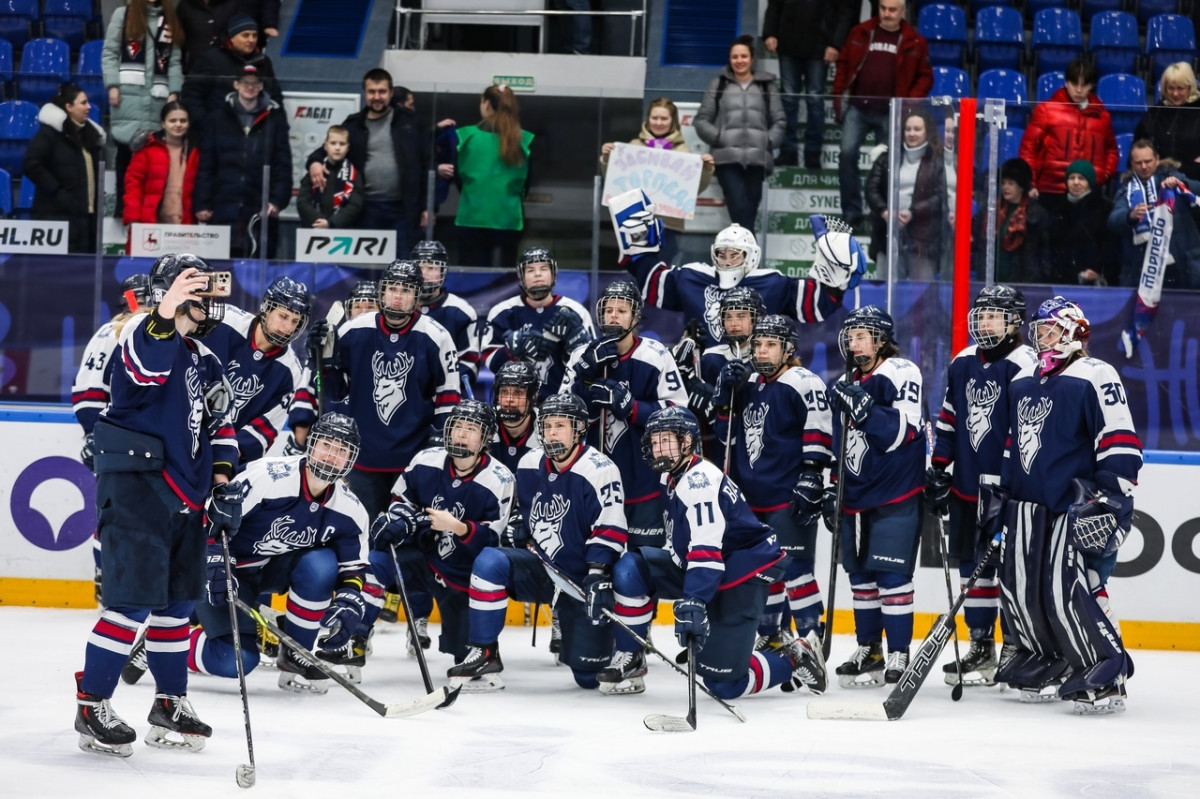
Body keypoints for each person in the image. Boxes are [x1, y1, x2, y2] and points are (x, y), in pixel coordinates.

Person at [73, 253, 238, 758]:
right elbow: (144, 371)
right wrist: (164, 311)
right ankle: (90, 703)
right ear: (170, 295)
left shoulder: (205, 357)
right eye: (196, 293)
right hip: (139, 491)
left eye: (207, 294)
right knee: (132, 605)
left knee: (176, 607)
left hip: (187, 496)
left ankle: (170, 701)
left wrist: (224, 482)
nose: (207, 303)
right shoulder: (141, 337)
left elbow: (221, 426)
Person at [593, 406, 821, 699]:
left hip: (741, 574)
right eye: (655, 440)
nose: (658, 447)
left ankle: (795, 657)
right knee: (630, 568)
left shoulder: (699, 483)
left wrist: (694, 601)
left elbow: (706, 549)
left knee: (724, 685)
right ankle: (631, 657)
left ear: (686, 442)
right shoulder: (672, 476)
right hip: (709, 567)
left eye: (666, 440)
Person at [989, 297, 1141, 713]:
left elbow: (1119, 440)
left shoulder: (1095, 374)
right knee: (1024, 590)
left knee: (1079, 588)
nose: (1041, 338)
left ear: (1074, 331)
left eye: (1051, 330)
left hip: (1077, 506)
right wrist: (1002, 494)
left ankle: (1107, 670)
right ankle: (1044, 659)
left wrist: (1110, 496)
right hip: (1029, 507)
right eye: (1038, 331)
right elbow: (1012, 443)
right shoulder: (1023, 378)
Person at [446, 393, 626, 691]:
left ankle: (621, 652)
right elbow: (521, 510)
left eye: (560, 425)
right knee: (490, 561)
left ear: (579, 429)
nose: (551, 432)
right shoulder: (530, 463)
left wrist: (597, 573)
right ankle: (485, 651)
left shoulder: (600, 468)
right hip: (543, 569)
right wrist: (519, 524)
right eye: (547, 425)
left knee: (587, 677)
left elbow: (611, 527)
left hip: (580, 579)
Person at [186, 413, 371, 693]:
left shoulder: (351, 509)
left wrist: (350, 598)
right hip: (224, 566)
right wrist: (212, 557)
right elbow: (212, 515)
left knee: (321, 565)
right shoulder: (268, 476)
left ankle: (296, 651)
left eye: (342, 450)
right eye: (326, 445)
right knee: (234, 660)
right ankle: (166, 639)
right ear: (311, 443)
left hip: (269, 569)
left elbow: (353, 568)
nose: (332, 455)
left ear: (351, 459)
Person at [713, 315, 831, 693]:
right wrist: (722, 397)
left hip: (787, 493)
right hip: (749, 497)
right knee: (761, 571)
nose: (761, 351)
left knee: (795, 568)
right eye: (758, 344)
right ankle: (774, 636)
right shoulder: (745, 382)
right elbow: (722, 432)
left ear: (788, 348)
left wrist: (812, 475)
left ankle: (811, 639)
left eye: (770, 345)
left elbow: (819, 429)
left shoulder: (803, 381)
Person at [926, 285, 1037, 688]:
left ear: (1014, 322)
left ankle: (1015, 645)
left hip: (1009, 490)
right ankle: (981, 646)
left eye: (995, 315)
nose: (985, 322)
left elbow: (1025, 426)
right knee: (972, 569)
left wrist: (1011, 480)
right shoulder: (962, 361)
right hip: (968, 485)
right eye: (982, 314)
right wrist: (939, 466)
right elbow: (950, 416)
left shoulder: (1026, 362)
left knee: (1010, 571)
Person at [358, 401, 515, 674]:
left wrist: (458, 527)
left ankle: (486, 652)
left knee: (464, 655)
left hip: (461, 573)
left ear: (486, 437)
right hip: (421, 558)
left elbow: (492, 541)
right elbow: (400, 499)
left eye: (471, 429)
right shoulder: (426, 459)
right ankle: (355, 638)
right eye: (457, 427)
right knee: (378, 558)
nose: (462, 435)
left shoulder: (499, 478)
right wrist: (401, 521)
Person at [311, 260, 459, 520]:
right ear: (382, 292)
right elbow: (333, 392)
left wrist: (435, 451)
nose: (398, 296)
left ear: (417, 295)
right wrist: (321, 359)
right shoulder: (354, 329)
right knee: (362, 532)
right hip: (361, 458)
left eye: (405, 290)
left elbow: (448, 400)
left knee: (409, 537)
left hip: (414, 460)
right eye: (392, 288)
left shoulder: (437, 336)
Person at [824, 305, 924, 688]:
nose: (854, 342)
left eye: (863, 335)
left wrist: (868, 412)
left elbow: (905, 432)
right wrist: (834, 485)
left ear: (882, 340)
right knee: (861, 577)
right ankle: (870, 648)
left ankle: (899, 651)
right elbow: (841, 444)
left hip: (894, 492)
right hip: (855, 496)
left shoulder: (900, 371)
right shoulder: (846, 382)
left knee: (892, 575)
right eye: (851, 335)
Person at [620, 212, 865, 350]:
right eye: (722, 254)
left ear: (751, 256)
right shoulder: (694, 277)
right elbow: (653, 284)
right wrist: (639, 248)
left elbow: (816, 304)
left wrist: (835, 273)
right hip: (701, 371)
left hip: (756, 372)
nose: (727, 260)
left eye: (735, 254)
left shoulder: (772, 283)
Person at [564, 280, 688, 549]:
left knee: (642, 565)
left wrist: (633, 408)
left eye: (621, 311)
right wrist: (584, 378)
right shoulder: (579, 356)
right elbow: (561, 416)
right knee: (592, 562)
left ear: (635, 317)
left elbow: (679, 414)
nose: (613, 316)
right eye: (609, 310)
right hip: (589, 484)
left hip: (643, 483)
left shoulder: (656, 355)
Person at [72, 274, 153, 603]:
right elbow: (88, 396)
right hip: (119, 441)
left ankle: (132, 580)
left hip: (149, 444)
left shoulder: (157, 335)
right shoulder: (112, 333)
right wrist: (99, 434)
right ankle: (109, 576)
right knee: (116, 512)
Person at [306, 68, 431, 258]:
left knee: (404, 266)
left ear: (390, 93)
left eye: (382, 91)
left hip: (404, 210)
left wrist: (429, 207)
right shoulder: (353, 124)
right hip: (365, 208)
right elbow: (329, 147)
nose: (377, 97)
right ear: (365, 93)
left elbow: (427, 165)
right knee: (366, 270)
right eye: (372, 91)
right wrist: (314, 162)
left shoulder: (411, 122)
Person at [831, 0, 933, 229]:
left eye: (892, 10)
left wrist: (907, 104)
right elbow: (844, 63)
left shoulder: (915, 40)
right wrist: (839, 96)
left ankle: (882, 213)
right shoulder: (861, 31)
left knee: (886, 164)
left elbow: (926, 77)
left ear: (903, 11)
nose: (887, 14)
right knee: (846, 155)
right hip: (858, 108)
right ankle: (851, 212)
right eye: (883, 8)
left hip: (892, 113)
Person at [202, 276, 310, 465]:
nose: (287, 327)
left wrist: (225, 457)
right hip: (182, 430)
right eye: (283, 316)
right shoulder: (224, 321)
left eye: (295, 321)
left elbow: (264, 429)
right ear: (266, 309)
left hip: (221, 457)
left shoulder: (291, 373)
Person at [192, 64, 292, 258]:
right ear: (236, 84)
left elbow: (283, 164)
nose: (250, 86)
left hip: (260, 211)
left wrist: (277, 201)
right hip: (222, 208)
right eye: (245, 82)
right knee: (219, 274)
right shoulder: (217, 118)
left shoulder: (275, 119)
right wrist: (202, 203)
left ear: (262, 86)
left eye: (255, 83)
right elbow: (206, 165)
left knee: (258, 274)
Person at [599, 98, 715, 265]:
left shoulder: (683, 152)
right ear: (647, 119)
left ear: (672, 121)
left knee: (662, 269)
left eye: (664, 118)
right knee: (637, 267)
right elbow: (614, 182)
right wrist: (607, 159)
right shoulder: (633, 146)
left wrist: (706, 169)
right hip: (636, 222)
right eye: (654, 118)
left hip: (669, 224)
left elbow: (694, 189)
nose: (658, 123)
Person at [692, 34, 785, 231]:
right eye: (735, 57)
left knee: (749, 210)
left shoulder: (767, 86)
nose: (739, 61)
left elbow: (779, 120)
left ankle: (742, 253)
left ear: (752, 59)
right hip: (727, 158)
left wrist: (767, 142)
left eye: (744, 56)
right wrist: (719, 137)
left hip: (758, 159)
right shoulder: (719, 84)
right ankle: (748, 253)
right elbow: (701, 120)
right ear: (730, 59)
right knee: (739, 207)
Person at [102, 0, 185, 218]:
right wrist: (112, 85)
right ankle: (123, 211)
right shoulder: (123, 14)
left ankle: (151, 213)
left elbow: (174, 61)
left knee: (154, 162)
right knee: (126, 157)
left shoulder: (169, 19)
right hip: (127, 98)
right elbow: (110, 53)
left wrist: (174, 91)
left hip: (158, 100)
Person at [480, 247, 594, 402]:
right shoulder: (502, 312)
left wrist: (574, 349)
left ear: (553, 273)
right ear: (521, 276)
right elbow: (490, 362)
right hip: (514, 405)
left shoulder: (576, 311)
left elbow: (591, 366)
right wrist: (510, 351)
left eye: (544, 268)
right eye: (530, 270)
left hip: (561, 404)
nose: (538, 274)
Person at [762, 0, 857, 169]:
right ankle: (788, 151)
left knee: (815, 100)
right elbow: (774, 5)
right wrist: (770, 33)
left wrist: (835, 44)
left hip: (819, 46)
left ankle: (813, 153)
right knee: (789, 98)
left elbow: (845, 12)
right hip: (788, 43)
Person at [1018, 57, 1118, 215]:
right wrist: (1031, 183)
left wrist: (1103, 175)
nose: (1079, 90)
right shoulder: (1046, 110)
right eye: (1074, 84)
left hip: (1088, 193)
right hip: (1051, 190)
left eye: (1084, 85)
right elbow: (1028, 148)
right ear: (1066, 83)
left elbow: (1111, 150)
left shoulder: (1102, 116)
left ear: (1091, 86)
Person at [450, 84, 534, 268]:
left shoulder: (465, 136)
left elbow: (458, 178)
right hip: (509, 218)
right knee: (504, 279)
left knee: (472, 277)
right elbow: (527, 183)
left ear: (486, 104)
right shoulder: (525, 140)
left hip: (471, 216)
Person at [864, 106, 951, 280]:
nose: (912, 133)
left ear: (927, 132)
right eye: (908, 129)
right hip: (887, 235)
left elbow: (939, 196)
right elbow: (871, 189)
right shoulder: (886, 157)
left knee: (921, 296)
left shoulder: (937, 160)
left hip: (923, 238)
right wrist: (885, 212)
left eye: (917, 129)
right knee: (885, 290)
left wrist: (913, 212)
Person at [22, 85, 105, 253]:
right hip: (56, 217)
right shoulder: (50, 133)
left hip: (86, 219)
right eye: (83, 103)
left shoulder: (90, 136)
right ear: (69, 107)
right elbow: (30, 163)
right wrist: (58, 192)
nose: (89, 107)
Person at [1108, 138, 1200, 290]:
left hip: (1183, 266)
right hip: (1147, 273)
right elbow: (1113, 220)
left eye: (1148, 161)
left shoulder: (1173, 177)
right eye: (1138, 163)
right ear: (1131, 164)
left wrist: (1184, 186)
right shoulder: (1126, 190)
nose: (1144, 167)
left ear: (1157, 160)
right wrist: (1129, 216)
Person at [180, 13, 281, 136]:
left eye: (254, 35)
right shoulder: (211, 59)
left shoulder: (263, 62)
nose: (251, 40)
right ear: (232, 37)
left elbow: (274, 95)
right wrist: (206, 124)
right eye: (245, 35)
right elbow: (191, 93)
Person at [123, 102, 200, 252]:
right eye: (172, 121)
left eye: (183, 121)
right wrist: (132, 216)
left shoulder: (196, 150)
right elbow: (133, 183)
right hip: (151, 223)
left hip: (184, 224)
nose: (178, 125)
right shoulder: (148, 147)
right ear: (163, 124)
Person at [412, 239, 480, 392]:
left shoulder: (461, 311)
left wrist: (443, 387)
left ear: (443, 271)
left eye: (432, 267)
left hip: (446, 395)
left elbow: (470, 364)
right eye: (420, 267)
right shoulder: (400, 307)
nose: (425, 274)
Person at [972, 158, 1051, 284]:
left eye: (1010, 183)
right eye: (1003, 183)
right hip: (991, 280)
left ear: (1021, 186)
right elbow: (976, 240)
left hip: (1023, 282)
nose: (1005, 187)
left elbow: (1044, 254)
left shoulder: (1036, 214)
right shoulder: (991, 210)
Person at [1047, 160, 1117, 286]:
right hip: (1063, 281)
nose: (1076, 182)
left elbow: (1108, 247)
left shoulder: (1104, 209)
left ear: (1090, 182)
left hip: (1094, 281)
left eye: (1081, 178)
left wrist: (1098, 271)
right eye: (1072, 178)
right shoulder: (1058, 209)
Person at [1135, 62, 1200, 182]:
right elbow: (1139, 142)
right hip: (1157, 175)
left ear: (1190, 87)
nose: (1175, 93)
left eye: (1180, 88)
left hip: (1193, 178)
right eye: (1170, 88)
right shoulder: (1154, 113)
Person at [296, 125, 363, 230]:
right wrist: (320, 221)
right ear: (325, 145)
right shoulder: (315, 172)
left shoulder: (354, 175)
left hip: (343, 229)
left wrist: (331, 223)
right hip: (313, 229)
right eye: (333, 143)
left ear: (348, 148)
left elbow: (355, 205)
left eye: (342, 144)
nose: (337, 148)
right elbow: (302, 202)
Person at [490, 360, 542, 475]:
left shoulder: (547, 428)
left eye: (518, 393)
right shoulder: (483, 425)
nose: (509, 399)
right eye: (504, 392)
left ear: (533, 396)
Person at [175, 0, 239, 73]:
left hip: (226, 66)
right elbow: (179, 41)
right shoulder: (184, 5)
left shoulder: (232, 3)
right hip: (194, 67)